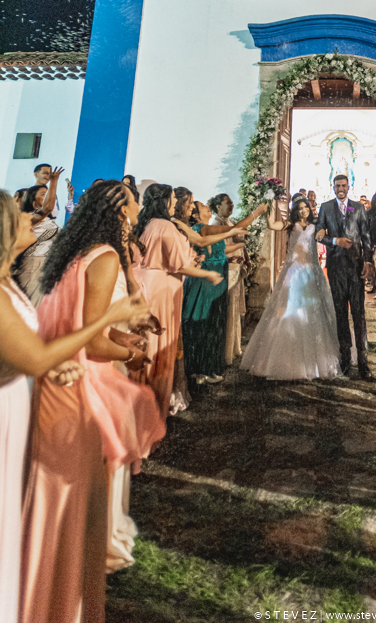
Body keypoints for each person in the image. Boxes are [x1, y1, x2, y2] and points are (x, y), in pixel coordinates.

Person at [20, 180, 165, 623]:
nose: (139, 205)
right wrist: (132, 351)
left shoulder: (79, 253)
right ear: (122, 209)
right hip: (82, 387)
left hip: (64, 382)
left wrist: (123, 336)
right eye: (133, 200)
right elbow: (92, 341)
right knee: (75, 499)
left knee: (77, 496)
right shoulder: (103, 259)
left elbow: (90, 323)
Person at [134, 184, 223, 417]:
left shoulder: (150, 223)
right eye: (172, 198)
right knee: (161, 343)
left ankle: (152, 395)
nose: (175, 203)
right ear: (164, 201)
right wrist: (207, 273)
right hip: (162, 287)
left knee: (155, 340)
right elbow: (178, 264)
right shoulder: (164, 225)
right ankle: (155, 400)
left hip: (153, 283)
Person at [241, 199, 340, 380]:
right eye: (300, 208)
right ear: (296, 211)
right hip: (293, 272)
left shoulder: (315, 224)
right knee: (289, 308)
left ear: (310, 209)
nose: (303, 211)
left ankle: (313, 361)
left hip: (310, 271)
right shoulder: (290, 224)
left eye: (305, 208)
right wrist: (270, 203)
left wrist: (324, 230)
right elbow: (271, 225)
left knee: (312, 311)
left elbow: (325, 234)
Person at [182, 200, 246, 384]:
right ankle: (197, 369)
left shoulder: (209, 229)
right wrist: (256, 213)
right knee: (200, 322)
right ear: (195, 214)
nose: (207, 207)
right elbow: (209, 243)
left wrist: (237, 248)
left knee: (214, 324)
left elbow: (221, 249)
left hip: (218, 278)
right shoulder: (200, 229)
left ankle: (210, 366)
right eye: (203, 206)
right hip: (204, 280)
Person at [316, 175, 373, 380]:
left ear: (349, 187)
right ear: (333, 187)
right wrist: (334, 241)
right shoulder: (326, 207)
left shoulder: (358, 208)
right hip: (336, 267)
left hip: (356, 266)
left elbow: (366, 236)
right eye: (337, 186)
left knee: (359, 313)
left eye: (343, 185)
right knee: (340, 312)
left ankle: (364, 361)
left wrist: (368, 262)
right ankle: (345, 358)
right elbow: (318, 233)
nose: (340, 188)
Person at [206, 194, 267, 365]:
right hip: (225, 270)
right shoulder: (215, 223)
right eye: (228, 203)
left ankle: (232, 349)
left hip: (235, 270)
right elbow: (218, 249)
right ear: (218, 206)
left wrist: (246, 259)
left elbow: (240, 241)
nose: (231, 206)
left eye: (232, 203)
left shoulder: (230, 222)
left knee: (233, 310)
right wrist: (256, 213)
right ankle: (222, 352)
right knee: (226, 310)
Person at [16, 168, 64, 305]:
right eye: (43, 194)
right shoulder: (29, 219)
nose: (48, 197)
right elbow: (48, 208)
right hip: (33, 267)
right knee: (31, 309)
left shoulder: (48, 221)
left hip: (48, 267)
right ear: (32, 200)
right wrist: (53, 182)